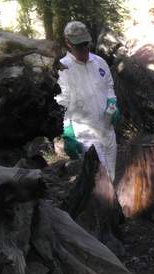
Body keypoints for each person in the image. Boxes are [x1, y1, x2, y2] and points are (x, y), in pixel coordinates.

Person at [56, 21, 119, 181]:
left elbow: (109, 86)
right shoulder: (63, 69)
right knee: (99, 179)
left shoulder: (100, 62)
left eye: (86, 44)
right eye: (79, 45)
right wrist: (68, 134)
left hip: (107, 129)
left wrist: (113, 103)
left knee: (112, 175)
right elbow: (61, 104)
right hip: (86, 134)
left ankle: (114, 204)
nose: (84, 49)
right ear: (68, 43)